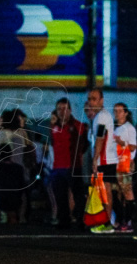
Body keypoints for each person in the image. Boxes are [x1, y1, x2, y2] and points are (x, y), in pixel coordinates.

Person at [48, 97, 87, 229]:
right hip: (57, 167)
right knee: (60, 195)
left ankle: (81, 220)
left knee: (78, 195)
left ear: (70, 110)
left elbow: (84, 144)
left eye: (65, 109)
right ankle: (64, 220)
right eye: (59, 109)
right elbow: (51, 143)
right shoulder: (54, 126)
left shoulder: (78, 125)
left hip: (73, 166)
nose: (62, 111)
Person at [87, 88, 118, 233]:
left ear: (101, 100)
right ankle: (107, 221)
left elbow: (100, 137)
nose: (91, 102)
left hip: (105, 160)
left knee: (105, 192)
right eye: (90, 99)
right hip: (106, 159)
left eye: (94, 99)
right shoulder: (101, 116)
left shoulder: (102, 117)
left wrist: (95, 159)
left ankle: (106, 223)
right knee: (104, 192)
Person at [113, 102, 137, 233]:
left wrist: (121, 142)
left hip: (126, 163)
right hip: (117, 163)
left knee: (127, 192)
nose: (117, 114)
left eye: (119, 111)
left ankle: (128, 221)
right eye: (115, 111)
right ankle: (121, 219)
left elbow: (133, 146)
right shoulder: (116, 128)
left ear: (126, 113)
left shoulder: (129, 128)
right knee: (116, 192)